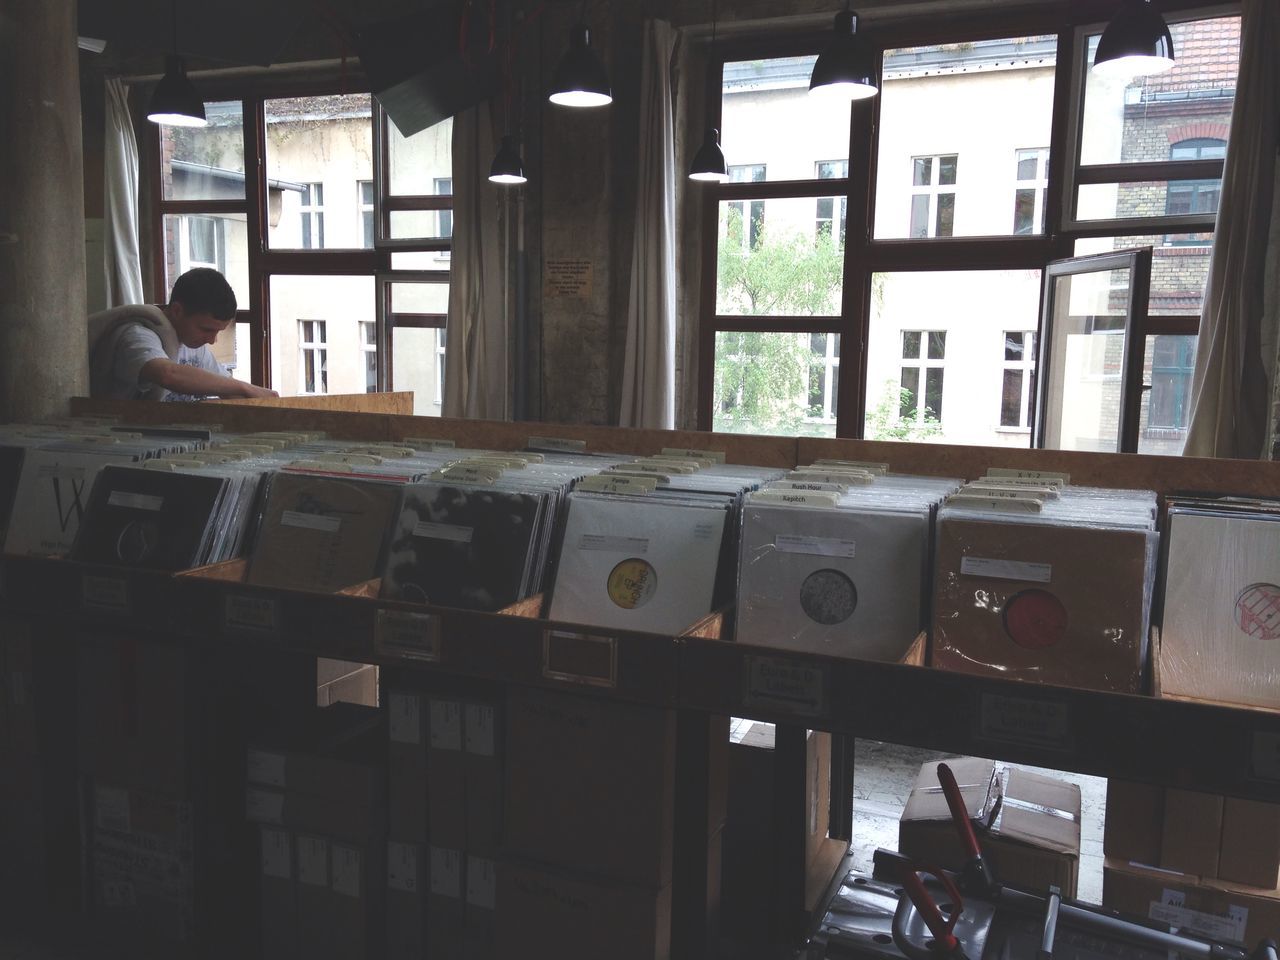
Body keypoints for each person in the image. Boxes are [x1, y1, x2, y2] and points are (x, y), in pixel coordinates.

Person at [88, 268, 278, 401]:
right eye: (206, 330)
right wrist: (245, 387)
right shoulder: (138, 335)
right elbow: (167, 374)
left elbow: (227, 389)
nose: (211, 340)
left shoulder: (195, 347)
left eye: (218, 332)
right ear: (178, 311)